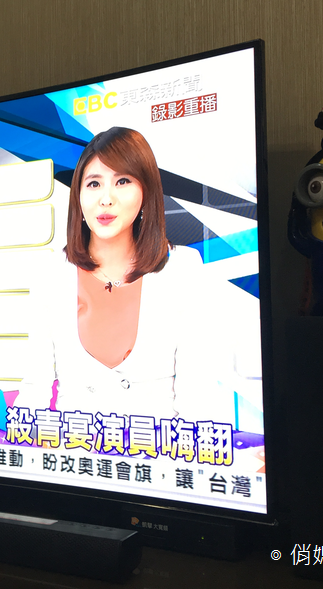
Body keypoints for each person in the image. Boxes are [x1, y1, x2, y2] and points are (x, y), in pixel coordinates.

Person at [19, 127, 205, 420]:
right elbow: (34, 393)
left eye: (122, 181)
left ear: (145, 191)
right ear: (78, 195)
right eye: (94, 184)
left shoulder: (182, 267)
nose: (106, 199)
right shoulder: (50, 273)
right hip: (73, 444)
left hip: (157, 446)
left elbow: (198, 395)